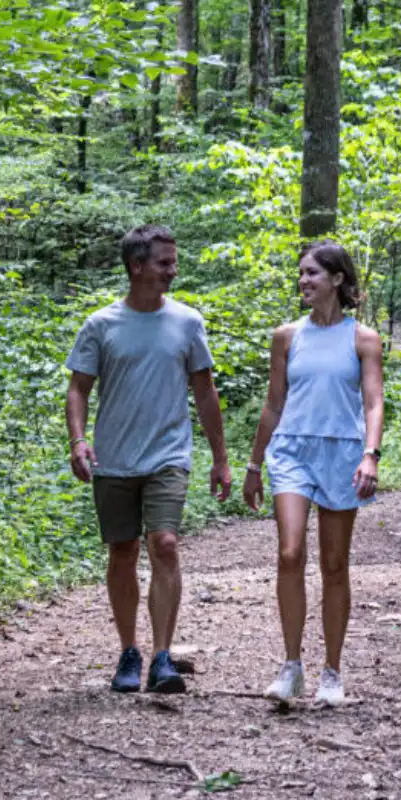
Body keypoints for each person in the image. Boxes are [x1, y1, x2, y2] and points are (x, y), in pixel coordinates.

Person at [66, 224, 231, 694]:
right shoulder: (101, 325)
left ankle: (162, 656)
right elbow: (78, 388)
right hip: (114, 458)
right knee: (123, 550)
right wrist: (78, 441)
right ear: (136, 266)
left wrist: (221, 458)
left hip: (168, 455)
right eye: (163, 262)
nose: (172, 270)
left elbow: (205, 391)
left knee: (164, 543)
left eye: (173, 261)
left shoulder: (187, 322)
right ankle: (128, 652)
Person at [243, 241, 384, 707]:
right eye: (301, 273)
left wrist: (371, 454)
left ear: (338, 280)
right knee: (289, 552)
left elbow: (373, 401)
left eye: (312, 274)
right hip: (291, 451)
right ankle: (291, 666)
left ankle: (332, 672)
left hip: (342, 453)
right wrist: (254, 464)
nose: (304, 281)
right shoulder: (286, 336)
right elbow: (274, 402)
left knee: (334, 564)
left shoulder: (362, 339)